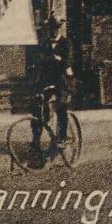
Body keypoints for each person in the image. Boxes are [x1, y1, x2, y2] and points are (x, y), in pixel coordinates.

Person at [30, 15, 74, 166]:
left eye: (55, 29)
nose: (53, 32)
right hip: (47, 80)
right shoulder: (44, 43)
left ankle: (61, 138)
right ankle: (35, 140)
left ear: (59, 29)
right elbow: (39, 61)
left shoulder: (65, 43)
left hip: (61, 82)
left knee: (61, 107)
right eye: (51, 29)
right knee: (38, 108)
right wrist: (52, 60)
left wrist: (59, 61)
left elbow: (68, 61)